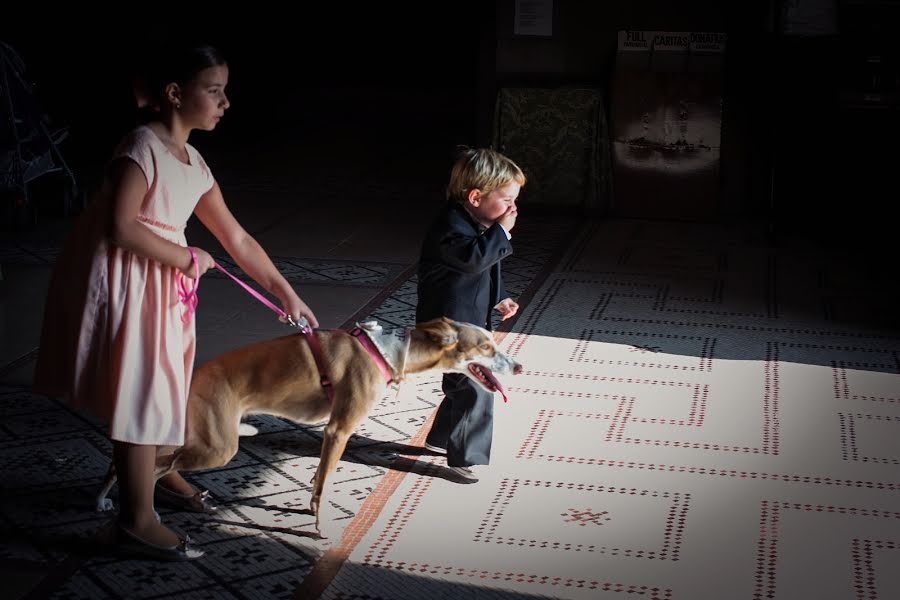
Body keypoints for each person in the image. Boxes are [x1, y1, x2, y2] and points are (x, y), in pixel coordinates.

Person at [33, 42, 318, 560]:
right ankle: (134, 520)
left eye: (224, 91)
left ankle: (159, 477)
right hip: (131, 279)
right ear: (173, 93)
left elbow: (237, 239)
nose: (224, 102)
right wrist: (187, 258)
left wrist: (286, 292)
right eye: (214, 91)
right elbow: (121, 228)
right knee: (141, 389)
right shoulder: (141, 147)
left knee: (162, 382)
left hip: (161, 281)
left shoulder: (193, 159)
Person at [415, 147, 526, 482]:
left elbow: (485, 266)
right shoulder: (449, 227)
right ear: (475, 196)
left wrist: (499, 296)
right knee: (479, 384)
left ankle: (440, 438)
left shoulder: (475, 222)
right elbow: (475, 259)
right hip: (447, 323)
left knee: (460, 381)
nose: (513, 208)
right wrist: (503, 232)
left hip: (467, 319)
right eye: (507, 199)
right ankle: (464, 455)